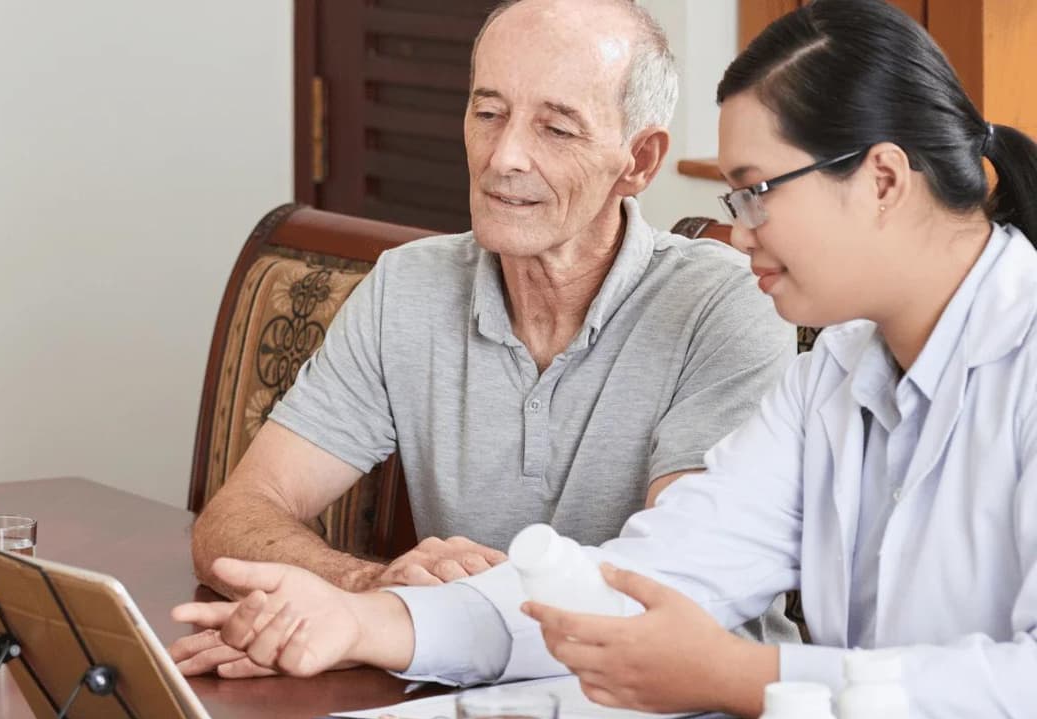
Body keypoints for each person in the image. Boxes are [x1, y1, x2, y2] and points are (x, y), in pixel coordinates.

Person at [170, 0, 798, 679]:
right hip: (475, 687)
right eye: (488, 113)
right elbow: (233, 519)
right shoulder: (407, 287)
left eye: (557, 128)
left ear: (638, 160)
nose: (504, 158)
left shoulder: (724, 306)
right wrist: (361, 590)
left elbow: (670, 599)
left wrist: (387, 624)